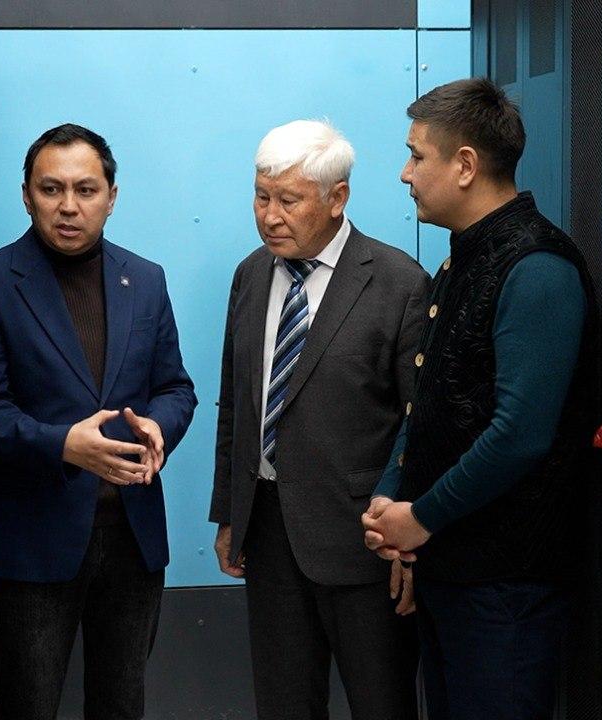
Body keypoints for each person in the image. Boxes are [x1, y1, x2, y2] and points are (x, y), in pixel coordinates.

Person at [363, 78, 599, 720]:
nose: (405, 173)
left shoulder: (537, 268)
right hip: (452, 570)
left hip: (504, 590)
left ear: (465, 165)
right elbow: (430, 399)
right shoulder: (462, 261)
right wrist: (390, 498)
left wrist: (422, 516)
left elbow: (519, 435)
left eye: (417, 156)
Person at [0, 123, 197, 720]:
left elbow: (175, 388)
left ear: (111, 196)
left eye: (86, 190)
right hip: (35, 542)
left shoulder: (145, 279)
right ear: (26, 195)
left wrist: (160, 427)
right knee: (29, 705)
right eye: (51, 189)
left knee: (121, 705)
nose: (69, 206)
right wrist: (64, 444)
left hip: (133, 538)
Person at [209, 120, 430, 720]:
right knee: (284, 705)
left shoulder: (399, 283)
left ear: (337, 198)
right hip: (268, 533)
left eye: (289, 200)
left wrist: (413, 543)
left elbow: (420, 425)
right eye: (261, 196)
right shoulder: (251, 274)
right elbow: (237, 404)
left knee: (381, 704)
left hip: (366, 542)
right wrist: (230, 513)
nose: (270, 216)